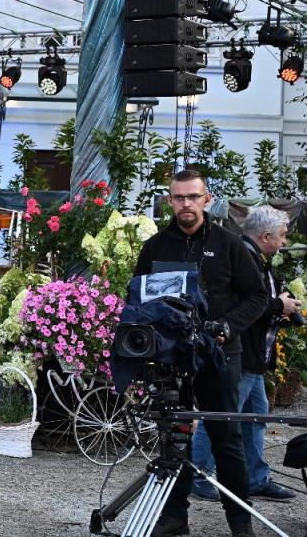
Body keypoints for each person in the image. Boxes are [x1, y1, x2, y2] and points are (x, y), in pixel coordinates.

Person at [131, 170, 267, 537]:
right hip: (171, 358)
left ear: (207, 199)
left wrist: (227, 326)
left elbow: (258, 297)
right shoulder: (155, 246)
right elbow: (137, 298)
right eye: (179, 197)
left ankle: (240, 522)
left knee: (227, 438)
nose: (186, 204)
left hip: (220, 355)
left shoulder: (230, 244)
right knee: (173, 437)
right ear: (170, 201)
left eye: (193, 197)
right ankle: (175, 516)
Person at [191, 205, 300, 504]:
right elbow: (246, 304)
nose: (284, 242)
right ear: (265, 236)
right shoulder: (242, 256)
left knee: (255, 417)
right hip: (241, 352)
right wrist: (279, 305)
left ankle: (254, 478)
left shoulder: (253, 256)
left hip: (253, 355)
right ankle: (198, 474)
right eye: (282, 236)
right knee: (222, 414)